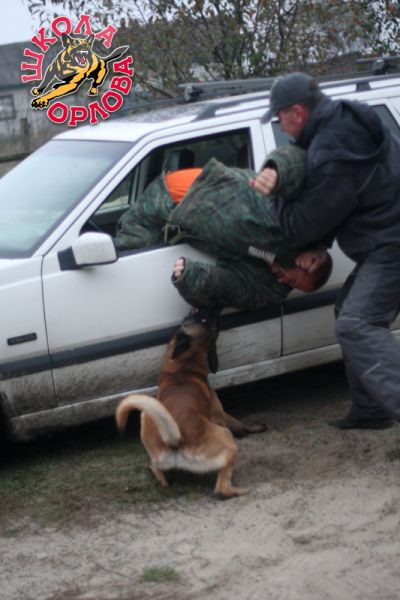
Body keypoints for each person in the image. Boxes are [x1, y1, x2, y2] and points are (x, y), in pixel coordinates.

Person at [251, 71, 400, 430]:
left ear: (298, 113)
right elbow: (347, 198)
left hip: (391, 243)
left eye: (279, 117)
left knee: (357, 324)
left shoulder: (330, 153)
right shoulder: (345, 120)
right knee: (347, 310)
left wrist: (273, 192)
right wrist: (321, 244)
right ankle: (371, 410)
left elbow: (297, 227)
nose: (280, 126)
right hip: (386, 237)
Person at [115, 146, 331, 311]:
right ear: (308, 262)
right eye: (293, 279)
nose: (284, 281)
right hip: (169, 196)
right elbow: (314, 175)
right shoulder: (294, 227)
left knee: (119, 257)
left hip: (172, 211)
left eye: (290, 285)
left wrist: (191, 277)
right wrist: (321, 244)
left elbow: (233, 288)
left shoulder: (268, 276)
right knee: (117, 253)